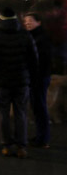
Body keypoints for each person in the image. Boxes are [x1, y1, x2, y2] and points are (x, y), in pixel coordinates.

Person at [0, 7, 39, 158]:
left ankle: (6, 145)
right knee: (21, 113)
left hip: (2, 82)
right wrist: (33, 80)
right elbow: (33, 60)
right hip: (21, 81)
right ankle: (21, 146)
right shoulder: (25, 35)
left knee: (3, 113)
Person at [24, 11, 52, 148]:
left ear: (38, 22)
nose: (27, 23)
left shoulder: (40, 38)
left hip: (39, 78)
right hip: (37, 77)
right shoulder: (33, 36)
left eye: (30, 20)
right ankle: (41, 136)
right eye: (25, 21)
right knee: (37, 107)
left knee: (40, 107)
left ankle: (43, 139)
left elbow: (40, 60)